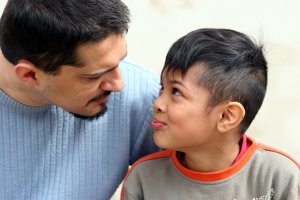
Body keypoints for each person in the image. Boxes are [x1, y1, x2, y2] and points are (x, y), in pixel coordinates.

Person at [0, 0, 160, 199]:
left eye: (121, 61)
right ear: (29, 75)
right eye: (95, 76)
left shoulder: (142, 95)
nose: (119, 84)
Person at [121, 28, 300, 200]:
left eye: (176, 92)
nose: (158, 104)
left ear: (226, 116)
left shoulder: (280, 177)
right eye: (162, 88)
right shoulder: (143, 178)